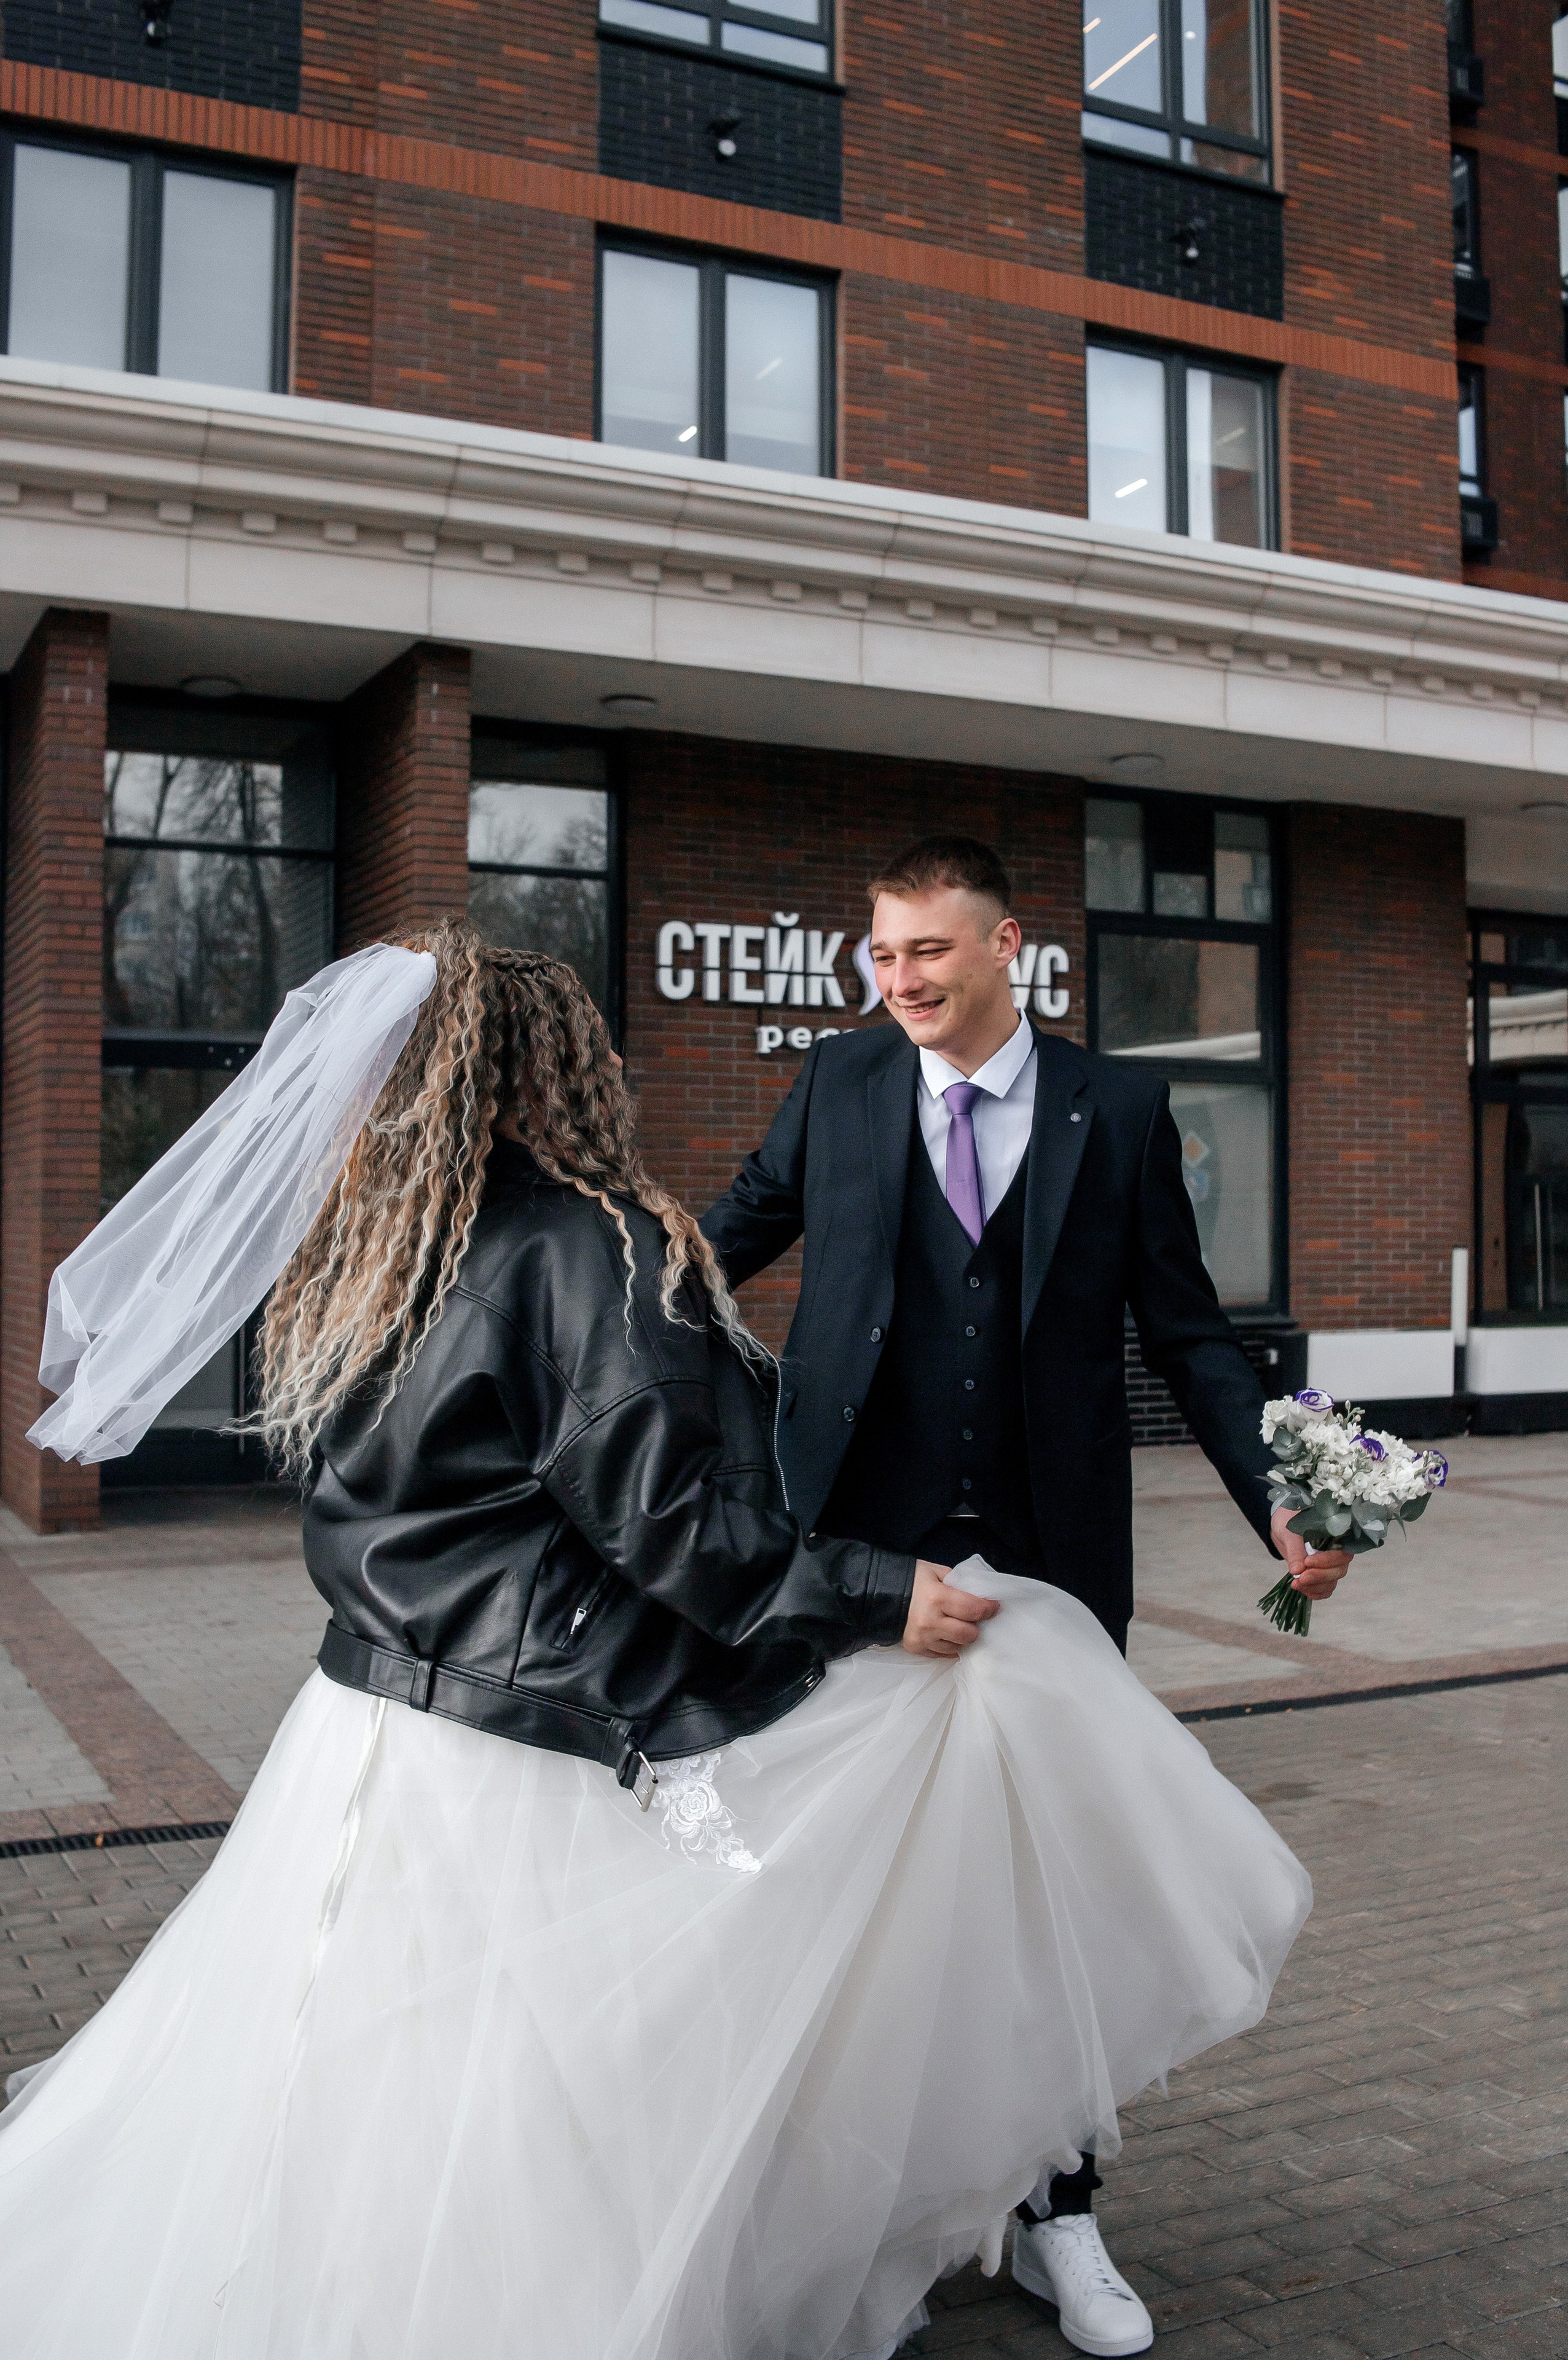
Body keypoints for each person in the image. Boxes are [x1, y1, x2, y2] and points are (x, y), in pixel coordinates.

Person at [0, 921, 1312, 2360]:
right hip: (522, 1743)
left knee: (349, 2053)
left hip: (365, 1732)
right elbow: (670, 1518)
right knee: (553, 2063)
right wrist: (878, 1594)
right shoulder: (592, 1243)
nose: (616, 1063)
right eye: (593, 1045)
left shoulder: (377, 1247)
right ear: (544, 1069)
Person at [702, 835, 1354, 2356]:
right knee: (848, 1899)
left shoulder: (1113, 1109)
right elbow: (706, 1253)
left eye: (928, 951)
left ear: (1009, 950)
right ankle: (874, 2210)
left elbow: (1187, 1337)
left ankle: (1059, 2214)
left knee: (1052, 1897)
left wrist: (1277, 1499)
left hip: (1053, 1564)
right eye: (882, 954)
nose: (900, 980)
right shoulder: (837, 1088)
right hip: (857, 1562)